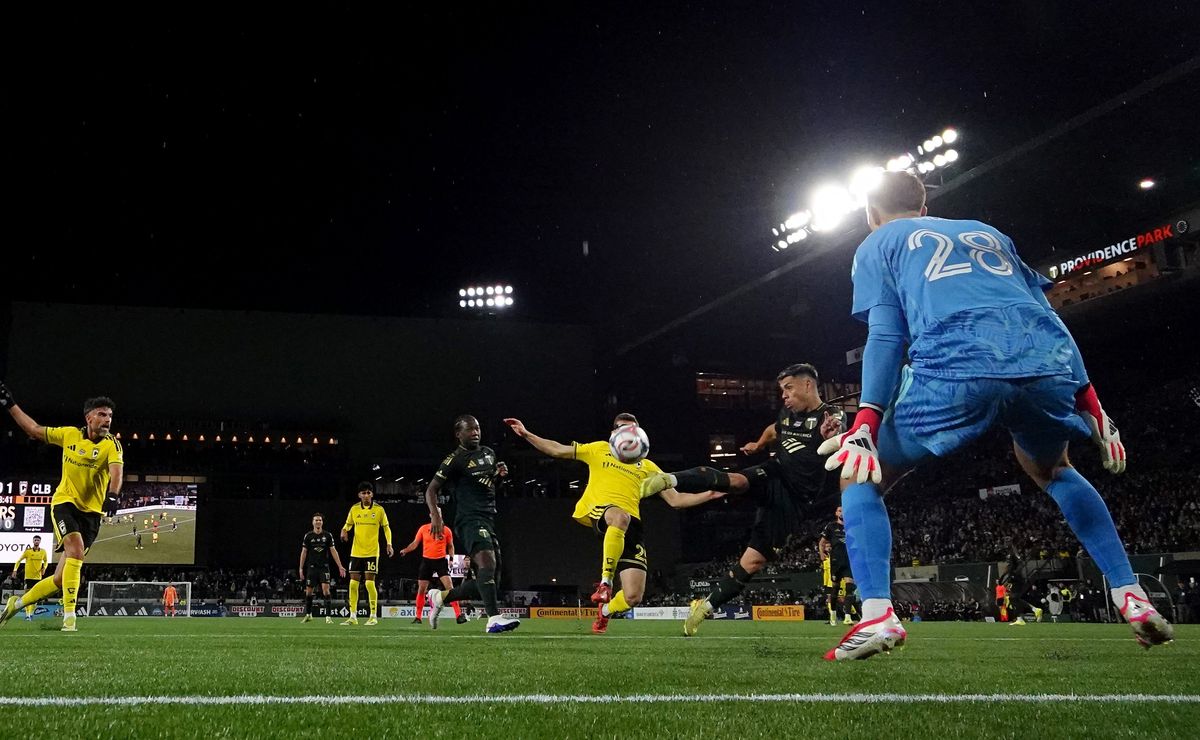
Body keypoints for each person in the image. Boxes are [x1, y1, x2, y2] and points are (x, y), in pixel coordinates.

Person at [818, 171, 1173, 660]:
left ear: (869, 214)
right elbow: (1047, 315)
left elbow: (885, 335)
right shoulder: (988, 233)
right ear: (924, 208)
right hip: (1044, 366)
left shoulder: (879, 242)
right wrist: (1092, 402)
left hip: (957, 364)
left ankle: (877, 613)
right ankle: (1129, 592)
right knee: (1054, 469)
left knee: (860, 477)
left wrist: (865, 423)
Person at [638, 366, 843, 637]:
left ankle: (705, 607)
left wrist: (836, 437)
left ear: (808, 385)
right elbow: (773, 430)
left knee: (752, 563)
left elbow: (839, 429)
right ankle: (669, 480)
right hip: (774, 474)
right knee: (735, 481)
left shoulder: (828, 416)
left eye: (789, 388)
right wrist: (758, 445)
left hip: (795, 500)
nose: (784, 395)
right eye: (782, 390)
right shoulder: (786, 416)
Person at [507, 413, 723, 634]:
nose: (627, 434)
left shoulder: (648, 466)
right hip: (603, 512)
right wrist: (526, 434)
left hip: (631, 527)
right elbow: (556, 449)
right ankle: (605, 583)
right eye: (622, 429)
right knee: (619, 516)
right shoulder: (599, 449)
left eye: (632, 430)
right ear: (613, 433)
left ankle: (605, 612)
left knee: (633, 596)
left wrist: (710, 494)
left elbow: (676, 500)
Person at [0, 384, 124, 632]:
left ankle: (18, 603)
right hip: (64, 503)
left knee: (59, 579)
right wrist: (11, 404)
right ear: (89, 417)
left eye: (109, 415)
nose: (107, 420)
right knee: (76, 551)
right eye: (102, 414)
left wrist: (112, 495)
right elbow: (34, 430)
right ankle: (70, 617)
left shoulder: (112, 445)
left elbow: (116, 472)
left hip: (91, 515)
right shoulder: (69, 435)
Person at [425, 415, 519, 633]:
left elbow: (490, 485)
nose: (475, 432)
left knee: (489, 581)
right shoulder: (454, 460)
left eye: (477, 428)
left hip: (488, 517)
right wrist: (436, 515)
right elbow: (431, 490)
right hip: (469, 519)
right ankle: (494, 619)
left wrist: (500, 477)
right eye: (470, 430)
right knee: (486, 564)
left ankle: (440, 597)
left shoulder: (488, 453)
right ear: (458, 434)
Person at [398, 510, 465, 625]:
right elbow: (415, 543)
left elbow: (450, 546)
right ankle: (418, 617)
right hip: (427, 561)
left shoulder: (446, 530)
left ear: (441, 515)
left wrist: (452, 559)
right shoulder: (424, 529)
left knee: (450, 588)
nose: (437, 515)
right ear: (430, 515)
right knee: (421, 589)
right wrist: (405, 550)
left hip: (441, 561)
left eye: (439, 513)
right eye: (434, 513)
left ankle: (458, 615)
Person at [340, 483, 393, 626]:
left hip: (371, 552)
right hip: (356, 552)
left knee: (369, 583)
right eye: (363, 493)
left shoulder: (379, 510)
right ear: (359, 495)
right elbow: (348, 524)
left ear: (372, 494)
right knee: (352, 584)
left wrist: (389, 544)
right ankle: (352, 617)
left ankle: (373, 616)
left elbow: (386, 528)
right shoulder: (354, 509)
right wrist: (344, 530)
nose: (366, 495)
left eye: (368, 492)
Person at [300, 513, 347, 623]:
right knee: (308, 592)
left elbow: (333, 551)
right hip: (311, 568)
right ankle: (308, 614)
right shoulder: (308, 536)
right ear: (312, 522)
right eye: (316, 520)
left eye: (320, 520)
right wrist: (301, 568)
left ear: (322, 522)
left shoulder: (327, 535)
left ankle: (328, 617)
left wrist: (340, 566)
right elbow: (304, 552)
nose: (318, 522)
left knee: (326, 591)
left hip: (324, 568)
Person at [819, 506, 857, 625]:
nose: (842, 513)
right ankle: (833, 615)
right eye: (840, 510)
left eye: (844, 510)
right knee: (835, 589)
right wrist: (821, 553)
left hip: (849, 560)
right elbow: (821, 543)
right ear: (836, 513)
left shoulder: (851, 526)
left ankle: (847, 617)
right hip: (836, 561)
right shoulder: (831, 526)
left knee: (849, 587)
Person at [11, 536, 48, 620]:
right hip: (28, 578)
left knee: (36, 598)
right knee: (27, 596)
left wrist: (44, 568)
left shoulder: (43, 552)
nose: (36, 541)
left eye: (38, 540)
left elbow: (46, 561)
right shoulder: (28, 552)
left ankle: (31, 614)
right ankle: (27, 615)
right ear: (33, 541)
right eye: (35, 540)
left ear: (40, 541)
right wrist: (15, 570)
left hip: (38, 578)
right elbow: (18, 560)